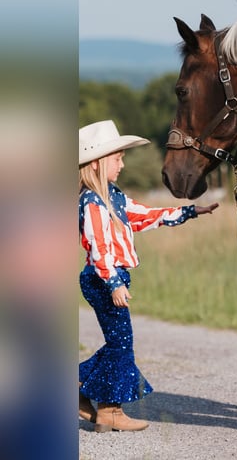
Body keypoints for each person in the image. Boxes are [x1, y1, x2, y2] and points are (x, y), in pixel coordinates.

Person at [78, 120, 219, 432]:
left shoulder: (113, 197)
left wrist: (189, 212)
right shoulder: (91, 201)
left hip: (111, 278)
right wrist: (113, 282)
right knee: (121, 345)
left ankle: (94, 400)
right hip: (103, 278)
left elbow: (145, 215)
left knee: (119, 344)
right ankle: (108, 410)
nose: (123, 163)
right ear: (98, 163)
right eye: (118, 158)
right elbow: (98, 247)